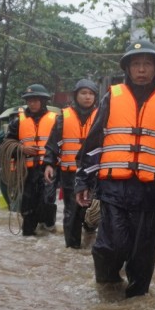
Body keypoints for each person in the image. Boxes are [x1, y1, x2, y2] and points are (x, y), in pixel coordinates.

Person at [75, 40, 155, 297]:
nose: (141, 69)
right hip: (114, 189)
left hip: (152, 193)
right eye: (136, 64)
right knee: (111, 246)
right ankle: (107, 288)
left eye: (147, 64)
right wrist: (83, 180)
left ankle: (135, 307)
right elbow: (94, 142)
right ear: (128, 69)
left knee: (143, 258)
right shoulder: (112, 97)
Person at [6, 83, 62, 236]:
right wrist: (21, 149)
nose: (32, 103)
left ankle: (48, 225)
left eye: (35, 100)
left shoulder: (56, 120)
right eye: (29, 100)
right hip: (27, 170)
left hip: (48, 168)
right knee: (27, 205)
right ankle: (29, 235)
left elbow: (61, 143)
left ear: (43, 101)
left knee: (47, 200)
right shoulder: (17, 121)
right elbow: (7, 144)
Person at [51, 79, 100, 249]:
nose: (87, 97)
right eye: (83, 93)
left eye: (91, 94)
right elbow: (53, 144)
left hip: (95, 173)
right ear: (75, 95)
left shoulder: (102, 116)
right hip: (70, 173)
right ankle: (72, 248)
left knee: (94, 209)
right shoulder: (63, 117)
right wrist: (50, 164)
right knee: (72, 211)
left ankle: (90, 236)